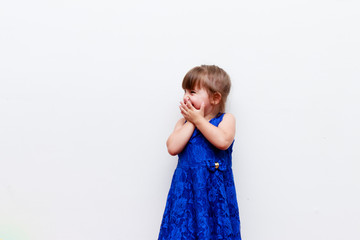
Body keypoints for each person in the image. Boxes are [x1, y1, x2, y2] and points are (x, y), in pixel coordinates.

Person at [158, 65, 241, 240]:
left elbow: (223, 141)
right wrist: (192, 122)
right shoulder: (183, 124)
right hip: (186, 195)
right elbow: (172, 147)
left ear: (215, 97)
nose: (186, 96)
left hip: (213, 195)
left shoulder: (226, 120)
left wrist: (199, 120)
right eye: (185, 92)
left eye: (192, 92)